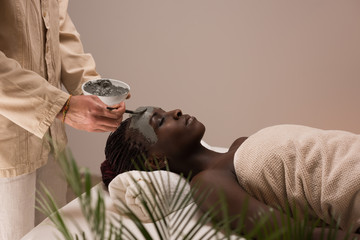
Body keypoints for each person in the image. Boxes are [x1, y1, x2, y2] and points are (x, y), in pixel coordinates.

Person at [101, 106, 360, 239]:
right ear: (156, 161)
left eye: (164, 110)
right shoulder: (208, 184)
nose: (176, 111)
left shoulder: (239, 144)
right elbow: (293, 235)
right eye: (161, 121)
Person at [0, 1, 127, 239]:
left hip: (50, 140)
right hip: (5, 152)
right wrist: (60, 106)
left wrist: (94, 90)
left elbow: (60, 30)